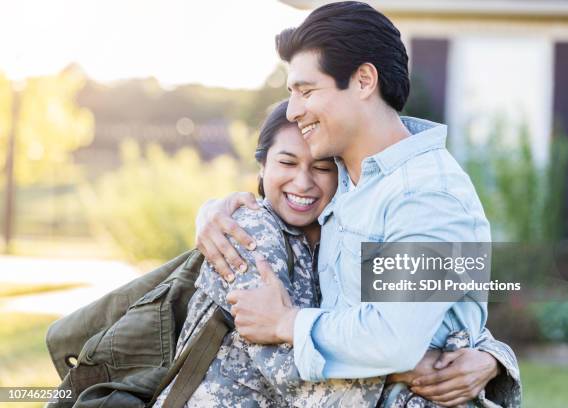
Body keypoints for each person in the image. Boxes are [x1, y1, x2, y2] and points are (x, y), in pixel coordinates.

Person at [194, 2, 521, 407]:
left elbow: (393, 337)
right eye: (291, 94)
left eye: (307, 91)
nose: (294, 111)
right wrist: (215, 209)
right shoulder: (348, 180)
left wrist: (285, 322)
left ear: (364, 80)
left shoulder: (425, 194)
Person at [154, 100, 515, 407]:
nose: (303, 182)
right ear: (262, 167)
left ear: (340, 174)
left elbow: (425, 312)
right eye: (287, 163)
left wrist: (492, 359)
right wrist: (408, 363)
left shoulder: (342, 234)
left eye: (322, 167)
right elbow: (289, 370)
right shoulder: (249, 233)